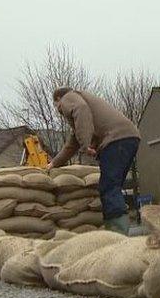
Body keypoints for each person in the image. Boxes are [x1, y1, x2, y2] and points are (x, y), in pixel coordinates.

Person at [48, 87, 141, 235]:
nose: (59, 110)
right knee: (114, 187)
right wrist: (53, 164)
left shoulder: (69, 98)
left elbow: (81, 109)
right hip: (129, 137)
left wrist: (85, 145)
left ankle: (117, 233)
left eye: (56, 105)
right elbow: (72, 144)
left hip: (116, 139)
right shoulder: (84, 113)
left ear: (58, 99)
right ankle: (119, 228)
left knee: (108, 187)